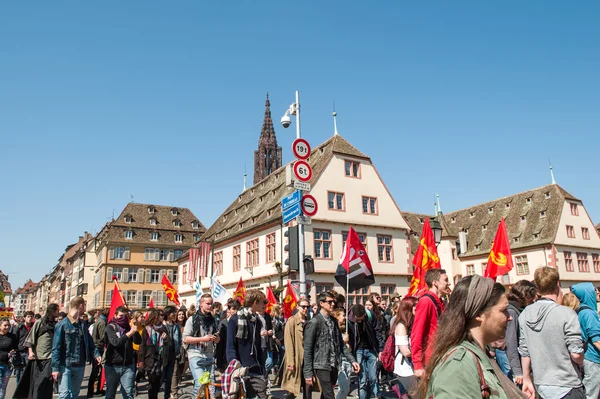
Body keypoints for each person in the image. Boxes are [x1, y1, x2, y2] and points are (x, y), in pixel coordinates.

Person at [417, 275, 519, 399]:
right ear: (478, 314)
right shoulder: (458, 366)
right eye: (503, 310)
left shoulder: (478, 354)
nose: (510, 317)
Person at [519, 267, 585, 399]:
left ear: (537, 288)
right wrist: (582, 363)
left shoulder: (525, 313)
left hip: (541, 384)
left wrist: (526, 379)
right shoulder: (566, 313)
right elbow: (576, 354)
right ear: (558, 284)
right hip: (567, 384)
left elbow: (524, 351)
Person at [303, 291, 360, 399]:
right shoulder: (315, 322)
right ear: (321, 303)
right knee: (330, 395)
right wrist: (308, 373)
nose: (333, 304)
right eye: (329, 302)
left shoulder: (333, 321)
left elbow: (341, 345)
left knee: (325, 395)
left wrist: (353, 361)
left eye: (333, 301)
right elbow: (308, 349)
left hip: (334, 364)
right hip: (321, 364)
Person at [226, 289, 268, 399]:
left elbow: (258, 347)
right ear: (255, 302)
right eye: (263, 302)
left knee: (262, 396)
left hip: (255, 368)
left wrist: (262, 367)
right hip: (241, 369)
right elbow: (230, 345)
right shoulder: (235, 319)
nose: (265, 305)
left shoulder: (257, 321)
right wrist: (234, 365)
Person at [51, 297, 95, 399]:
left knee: (75, 394)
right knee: (64, 394)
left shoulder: (82, 324)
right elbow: (56, 347)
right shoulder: (62, 324)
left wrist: (95, 354)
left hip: (80, 364)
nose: (85, 308)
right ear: (80, 306)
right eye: (84, 305)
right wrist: (55, 368)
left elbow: (89, 341)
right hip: (66, 364)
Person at [410, 268, 448, 378]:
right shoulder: (426, 302)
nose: (448, 283)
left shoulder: (440, 302)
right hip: (430, 360)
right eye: (445, 280)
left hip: (440, 356)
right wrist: (417, 365)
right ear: (435, 283)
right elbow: (417, 333)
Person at [18, 303, 59, 399]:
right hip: (39, 357)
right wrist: (30, 351)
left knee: (47, 383)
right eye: (57, 310)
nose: (58, 313)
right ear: (53, 311)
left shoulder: (56, 324)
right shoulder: (40, 322)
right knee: (38, 383)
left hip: (50, 357)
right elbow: (30, 339)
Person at [184, 294, 219, 399]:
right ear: (201, 304)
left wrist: (216, 338)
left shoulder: (213, 319)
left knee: (211, 387)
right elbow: (185, 338)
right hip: (196, 354)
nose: (210, 306)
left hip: (209, 355)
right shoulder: (192, 319)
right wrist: (202, 339)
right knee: (200, 383)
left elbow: (218, 337)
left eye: (211, 303)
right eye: (207, 304)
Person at [347, 303, 385, 399]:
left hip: (371, 348)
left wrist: (381, 349)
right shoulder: (349, 320)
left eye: (361, 318)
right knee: (362, 379)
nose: (359, 320)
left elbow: (378, 332)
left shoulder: (370, 315)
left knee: (373, 377)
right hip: (358, 350)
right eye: (358, 319)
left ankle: (375, 395)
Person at [504, 280, 537, 388]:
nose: (534, 300)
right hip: (519, 365)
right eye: (532, 297)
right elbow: (511, 342)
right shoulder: (513, 311)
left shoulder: (518, 309)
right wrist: (518, 371)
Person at [104, 306, 141, 399]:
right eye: (120, 315)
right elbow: (116, 342)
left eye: (125, 316)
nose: (123, 318)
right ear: (115, 315)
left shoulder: (129, 327)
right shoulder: (110, 327)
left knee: (128, 393)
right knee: (110, 393)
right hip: (113, 366)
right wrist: (129, 333)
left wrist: (134, 329)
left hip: (128, 365)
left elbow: (138, 341)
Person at [571, 282, 600, 399]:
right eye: (593, 291)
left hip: (588, 358)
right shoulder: (589, 313)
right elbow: (596, 340)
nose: (596, 292)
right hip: (593, 359)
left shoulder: (581, 310)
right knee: (591, 394)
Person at [282, 298, 311, 399]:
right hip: (296, 358)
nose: (305, 309)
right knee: (294, 388)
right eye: (303, 307)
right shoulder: (292, 321)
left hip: (307, 359)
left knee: (308, 386)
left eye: (308, 307)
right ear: (298, 307)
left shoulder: (309, 321)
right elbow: (288, 343)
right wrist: (291, 362)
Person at [139, 309, 170, 399]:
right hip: (150, 358)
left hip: (160, 358)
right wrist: (141, 363)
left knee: (158, 382)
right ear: (155, 316)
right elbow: (142, 347)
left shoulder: (164, 328)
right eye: (160, 315)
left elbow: (169, 344)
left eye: (163, 315)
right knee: (152, 383)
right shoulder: (147, 329)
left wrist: (166, 339)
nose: (162, 316)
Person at [390, 297, 418, 399]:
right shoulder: (401, 326)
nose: (417, 307)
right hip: (405, 369)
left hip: (414, 367)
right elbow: (405, 351)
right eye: (414, 305)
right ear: (407, 308)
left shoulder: (413, 323)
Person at [331, 308, 352, 399]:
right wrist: (343, 340)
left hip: (347, 361)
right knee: (344, 388)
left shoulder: (345, 329)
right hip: (340, 361)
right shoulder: (333, 329)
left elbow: (349, 348)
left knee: (345, 388)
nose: (345, 317)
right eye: (343, 315)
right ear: (337, 316)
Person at [215, 298, 240, 372]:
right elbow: (220, 344)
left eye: (238, 309)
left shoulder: (242, 322)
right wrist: (219, 363)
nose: (236, 311)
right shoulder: (223, 323)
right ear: (229, 310)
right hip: (226, 355)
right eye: (234, 309)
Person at [88, 308, 107, 398]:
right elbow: (103, 337)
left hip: (97, 346)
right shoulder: (102, 322)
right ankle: (96, 389)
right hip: (99, 347)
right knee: (97, 370)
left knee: (96, 371)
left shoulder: (99, 321)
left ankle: (93, 389)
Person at [171, 308, 189, 399]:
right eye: (179, 314)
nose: (181, 316)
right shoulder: (174, 326)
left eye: (182, 314)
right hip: (176, 350)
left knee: (181, 369)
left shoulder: (187, 325)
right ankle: (174, 392)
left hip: (185, 350)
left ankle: (176, 385)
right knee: (175, 370)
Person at [14, 311, 35, 384]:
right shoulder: (19, 327)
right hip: (19, 351)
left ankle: (22, 387)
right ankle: (18, 386)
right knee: (18, 371)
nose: (30, 318)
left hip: (28, 351)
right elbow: (15, 339)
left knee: (25, 371)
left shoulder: (34, 327)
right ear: (25, 318)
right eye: (28, 316)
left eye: (31, 317)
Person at [0, 319, 17, 399]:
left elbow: (16, 348)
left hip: (8, 365)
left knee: (3, 387)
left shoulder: (12, 337)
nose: (7, 327)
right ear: (0, 326)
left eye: (8, 325)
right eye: (5, 325)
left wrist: (14, 351)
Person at [270, 304, 285, 377]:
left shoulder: (283, 317)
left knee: (282, 359)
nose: (282, 309)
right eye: (280, 308)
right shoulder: (273, 318)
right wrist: (275, 339)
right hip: (275, 341)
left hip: (283, 341)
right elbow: (272, 330)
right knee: (275, 360)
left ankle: (281, 378)